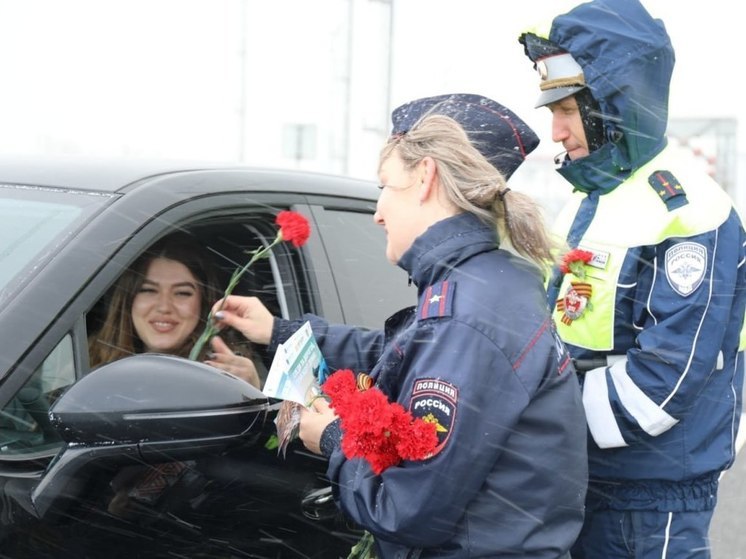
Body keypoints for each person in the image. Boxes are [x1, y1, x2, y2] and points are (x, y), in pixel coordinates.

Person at [210, 93, 588, 558]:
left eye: (386, 184)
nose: (378, 211)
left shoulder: (467, 316)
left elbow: (406, 509)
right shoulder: (484, 288)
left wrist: (332, 440)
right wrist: (279, 332)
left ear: (426, 176)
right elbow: (404, 354)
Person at [518, 1, 746, 557]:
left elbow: (667, 376)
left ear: (612, 106)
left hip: (651, 495)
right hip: (595, 474)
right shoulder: (603, 194)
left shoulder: (688, 208)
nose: (556, 131)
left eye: (567, 110)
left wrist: (546, 424)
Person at [89, 232, 261, 388]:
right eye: (148, 290)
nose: (164, 307)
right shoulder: (84, 358)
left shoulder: (230, 370)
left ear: (203, 304)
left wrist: (253, 391)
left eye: (182, 293)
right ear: (128, 300)